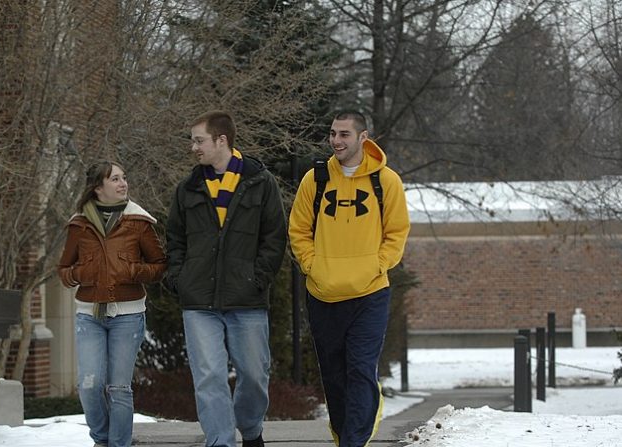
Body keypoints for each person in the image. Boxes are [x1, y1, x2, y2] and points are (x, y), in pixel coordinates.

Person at [165, 111, 287, 447]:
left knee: (254, 375)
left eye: (199, 140)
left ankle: (251, 430)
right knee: (209, 377)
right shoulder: (187, 189)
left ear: (222, 140)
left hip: (246, 298)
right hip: (199, 301)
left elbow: (275, 237)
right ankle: (219, 441)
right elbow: (174, 239)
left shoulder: (261, 184)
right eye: (193, 140)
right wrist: (178, 278)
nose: (193, 147)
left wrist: (257, 277)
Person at [288, 111, 410, 447]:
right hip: (323, 292)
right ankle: (344, 435)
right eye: (332, 134)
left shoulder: (386, 182)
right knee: (334, 376)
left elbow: (397, 232)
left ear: (363, 137)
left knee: (360, 370)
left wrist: (378, 264)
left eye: (344, 134)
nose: (336, 141)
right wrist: (312, 265)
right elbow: (298, 229)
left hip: (370, 292)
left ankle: (354, 441)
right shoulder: (315, 180)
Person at [57, 161, 167, 447]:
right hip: (89, 316)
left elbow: (159, 265)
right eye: (115, 179)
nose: (123, 183)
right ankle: (102, 439)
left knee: (119, 388)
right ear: (97, 188)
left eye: (124, 177)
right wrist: (83, 273)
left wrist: (133, 270)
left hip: (128, 315)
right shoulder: (79, 225)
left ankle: (118, 444)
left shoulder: (138, 222)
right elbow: (64, 271)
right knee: (90, 386)